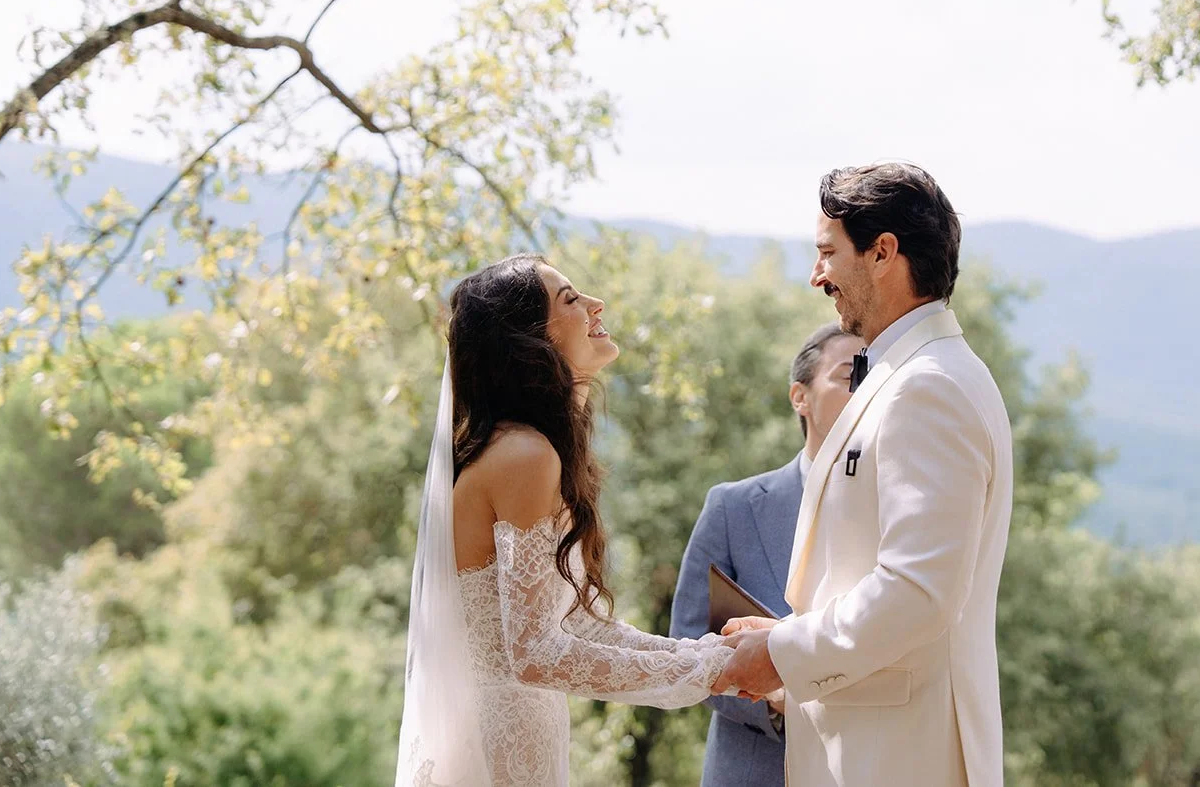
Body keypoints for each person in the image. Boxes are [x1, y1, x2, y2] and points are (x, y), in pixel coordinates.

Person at [717, 163, 1015, 787]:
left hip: (901, 759)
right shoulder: (914, 374)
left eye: (828, 253)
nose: (815, 275)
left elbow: (917, 591)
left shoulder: (927, 387)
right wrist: (790, 634)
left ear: (882, 252)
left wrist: (782, 653)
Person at [394, 254, 737, 787]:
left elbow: (573, 625)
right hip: (491, 753)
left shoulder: (529, 450)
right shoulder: (524, 456)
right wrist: (712, 672)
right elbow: (533, 654)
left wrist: (706, 656)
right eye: (572, 300)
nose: (596, 305)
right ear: (526, 341)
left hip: (521, 738)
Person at [669, 323, 863, 787]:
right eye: (847, 374)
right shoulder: (732, 507)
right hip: (756, 769)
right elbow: (688, 640)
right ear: (801, 396)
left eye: (873, 374)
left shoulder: (899, 508)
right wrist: (775, 694)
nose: (864, 388)